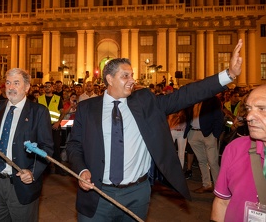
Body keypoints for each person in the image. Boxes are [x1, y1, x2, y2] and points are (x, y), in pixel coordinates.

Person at [66, 39, 243, 221]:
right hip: (97, 193)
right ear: (109, 79)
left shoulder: (145, 102)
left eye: (132, 75)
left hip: (136, 195)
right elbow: (74, 145)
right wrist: (81, 170)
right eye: (125, 76)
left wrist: (228, 74)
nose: (132, 80)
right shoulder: (87, 108)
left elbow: (186, 94)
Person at [0, 68, 54, 222]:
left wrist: (32, 172)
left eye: (16, 83)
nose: (11, 87)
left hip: (21, 184)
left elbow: (47, 148)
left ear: (27, 87)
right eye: (8, 83)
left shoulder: (38, 112)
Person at [211, 84, 266, 222]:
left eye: (262, 109)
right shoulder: (235, 149)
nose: (249, 117)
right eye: (249, 109)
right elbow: (222, 202)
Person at [184, 95, 223, 193]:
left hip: (208, 134)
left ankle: (219, 188)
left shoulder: (213, 100)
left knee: (212, 161)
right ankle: (206, 185)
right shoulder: (192, 99)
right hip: (193, 133)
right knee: (201, 160)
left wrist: (215, 134)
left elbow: (219, 117)